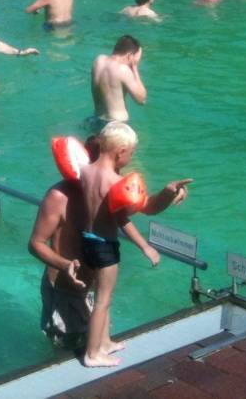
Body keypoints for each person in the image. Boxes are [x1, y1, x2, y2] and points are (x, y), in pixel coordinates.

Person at [77, 121, 191, 367]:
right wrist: (146, 246)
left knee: (100, 294)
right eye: (131, 153)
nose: (131, 157)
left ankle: (104, 341)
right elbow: (126, 217)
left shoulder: (85, 171)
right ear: (120, 152)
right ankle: (92, 353)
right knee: (103, 299)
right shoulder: (113, 182)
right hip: (105, 246)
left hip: (86, 240)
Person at [28, 136, 97, 349]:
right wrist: (65, 264)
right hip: (63, 288)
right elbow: (35, 243)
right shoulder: (58, 196)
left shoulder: (105, 189)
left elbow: (142, 206)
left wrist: (167, 195)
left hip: (91, 288)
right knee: (64, 352)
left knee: (92, 345)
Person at [90, 35, 146, 123]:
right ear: (130, 56)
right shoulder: (123, 70)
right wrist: (135, 67)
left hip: (96, 120)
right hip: (117, 124)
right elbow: (141, 99)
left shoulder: (98, 61)